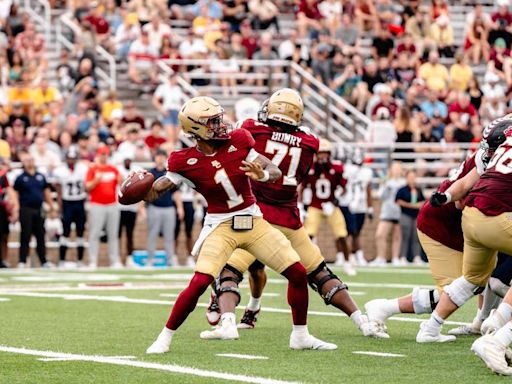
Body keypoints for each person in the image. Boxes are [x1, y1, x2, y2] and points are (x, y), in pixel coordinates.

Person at [140, 95, 337, 354]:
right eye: (213, 122)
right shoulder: (182, 160)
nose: (221, 125)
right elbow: (156, 191)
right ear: (196, 128)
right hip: (221, 225)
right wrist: (137, 191)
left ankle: (300, 335)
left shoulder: (240, 139)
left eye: (219, 119)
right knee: (200, 282)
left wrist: (263, 174)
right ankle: (164, 338)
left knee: (298, 273)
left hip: (253, 220)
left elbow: (275, 171)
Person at [198, 90, 381, 339]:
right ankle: (362, 322)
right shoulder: (310, 142)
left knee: (228, 269)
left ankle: (227, 321)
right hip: (289, 218)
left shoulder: (252, 128)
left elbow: (231, 140)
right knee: (320, 273)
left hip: (254, 216)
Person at [415, 117, 512, 344]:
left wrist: (446, 195)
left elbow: (466, 184)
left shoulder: (494, 153)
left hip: (470, 218)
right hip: (496, 217)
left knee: (471, 279)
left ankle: (430, 328)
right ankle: (496, 324)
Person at [302, 139, 354, 276]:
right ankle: (305, 263)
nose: (322, 156)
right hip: (315, 205)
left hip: (331, 205)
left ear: (330, 154)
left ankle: (347, 263)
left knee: (342, 235)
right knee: (308, 235)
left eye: (325, 153)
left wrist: (334, 202)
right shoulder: (310, 168)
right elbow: (302, 187)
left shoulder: (337, 168)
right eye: (320, 153)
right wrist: (302, 205)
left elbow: (343, 188)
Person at [13, 152, 55, 268]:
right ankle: (22, 261)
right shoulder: (20, 178)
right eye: (27, 160)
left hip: (39, 209)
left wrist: (52, 206)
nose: (29, 162)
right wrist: (16, 208)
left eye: (31, 159)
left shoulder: (40, 176)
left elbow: (46, 192)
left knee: (40, 235)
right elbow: (15, 193)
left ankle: (43, 260)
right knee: (25, 235)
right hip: (26, 209)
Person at [85, 144, 123, 268]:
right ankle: (92, 260)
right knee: (94, 233)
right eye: (102, 154)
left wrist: (121, 179)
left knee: (113, 234)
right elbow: (87, 187)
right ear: (98, 155)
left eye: (106, 154)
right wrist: (96, 180)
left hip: (112, 204)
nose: (104, 156)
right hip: (97, 204)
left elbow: (121, 183)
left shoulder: (113, 169)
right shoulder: (93, 169)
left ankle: (115, 260)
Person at [147, 149, 184, 266]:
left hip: (168, 208)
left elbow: (176, 192)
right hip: (154, 207)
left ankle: (170, 260)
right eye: (158, 156)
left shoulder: (169, 173)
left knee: (169, 236)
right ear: (155, 158)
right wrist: (142, 208)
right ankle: (150, 259)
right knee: (152, 234)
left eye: (162, 156)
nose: (160, 158)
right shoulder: (150, 174)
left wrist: (180, 207)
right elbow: (144, 192)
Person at [53, 149, 88, 267]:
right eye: (69, 158)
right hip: (67, 202)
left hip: (80, 201)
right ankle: (62, 260)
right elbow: (58, 189)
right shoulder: (60, 171)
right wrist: (60, 204)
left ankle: (80, 260)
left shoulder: (83, 168)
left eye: (73, 158)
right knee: (65, 232)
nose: (71, 161)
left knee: (80, 232)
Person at [341, 147, 373, 265]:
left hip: (361, 205)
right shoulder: (347, 168)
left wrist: (370, 207)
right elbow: (342, 184)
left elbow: (368, 189)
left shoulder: (367, 171)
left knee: (357, 232)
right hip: (348, 203)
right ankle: (346, 256)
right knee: (348, 232)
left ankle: (355, 255)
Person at [372, 161, 404, 266]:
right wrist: (384, 186)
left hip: (399, 212)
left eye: (398, 168)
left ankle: (395, 258)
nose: (396, 171)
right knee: (380, 235)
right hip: (387, 212)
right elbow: (381, 196)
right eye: (394, 168)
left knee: (397, 236)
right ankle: (381, 257)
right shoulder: (387, 181)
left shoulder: (404, 183)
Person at [395, 171, 425, 264]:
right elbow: (398, 201)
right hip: (405, 215)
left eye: (413, 177)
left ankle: (416, 256)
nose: (412, 179)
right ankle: (403, 256)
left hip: (416, 216)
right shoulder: (402, 189)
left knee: (416, 237)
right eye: (410, 177)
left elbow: (423, 201)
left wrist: (416, 205)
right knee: (405, 236)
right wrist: (410, 205)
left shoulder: (418, 189)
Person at [0, 158, 18, 268]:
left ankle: (4, 259)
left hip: (1, 209)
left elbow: (11, 192)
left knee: (3, 235)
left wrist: (15, 209)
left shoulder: (3, 176)